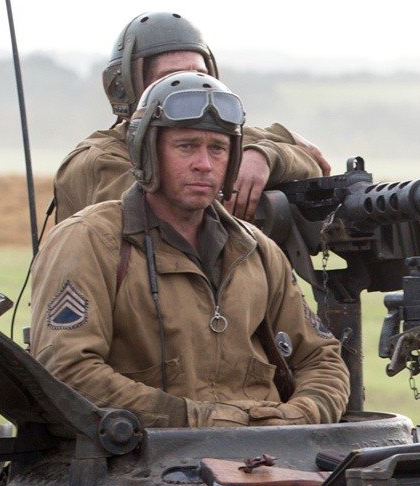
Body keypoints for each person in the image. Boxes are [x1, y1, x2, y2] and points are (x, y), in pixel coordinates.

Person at [30, 71, 348, 429]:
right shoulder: (90, 241)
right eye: (186, 146)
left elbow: (321, 358)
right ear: (147, 153)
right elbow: (66, 369)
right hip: (144, 463)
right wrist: (194, 419)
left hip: (268, 459)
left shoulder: (256, 250)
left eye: (218, 149)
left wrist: (300, 415)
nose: (204, 164)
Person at [52, 11, 330, 224]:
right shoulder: (97, 160)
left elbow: (315, 165)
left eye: (200, 75)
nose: (191, 87)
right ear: (127, 87)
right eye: (171, 79)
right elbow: (173, 212)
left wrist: (266, 155)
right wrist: (274, 146)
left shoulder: (225, 142)